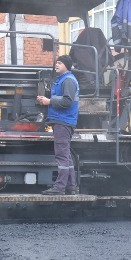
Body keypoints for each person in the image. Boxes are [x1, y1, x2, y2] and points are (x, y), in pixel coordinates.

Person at [36, 55, 80, 195]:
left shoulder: (68, 80)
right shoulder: (63, 80)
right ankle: (71, 187)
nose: (56, 65)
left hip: (63, 121)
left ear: (66, 65)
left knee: (62, 156)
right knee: (66, 156)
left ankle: (59, 188)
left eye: (60, 63)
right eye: (56, 63)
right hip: (63, 120)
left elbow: (67, 101)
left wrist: (49, 101)